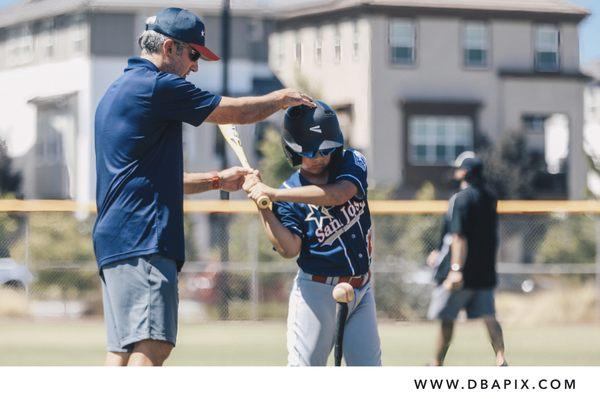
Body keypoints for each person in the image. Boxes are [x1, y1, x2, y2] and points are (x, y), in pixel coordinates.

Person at [93, 7, 315, 367]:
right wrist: (282, 97)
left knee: (121, 351)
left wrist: (215, 181)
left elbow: (153, 182)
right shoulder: (156, 86)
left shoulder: (115, 91)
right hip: (144, 238)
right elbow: (237, 112)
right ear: (169, 48)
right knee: (153, 344)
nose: (195, 65)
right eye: (193, 54)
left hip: (115, 240)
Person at [242, 101, 381, 366]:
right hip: (316, 291)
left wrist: (273, 193)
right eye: (309, 151)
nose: (318, 157)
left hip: (361, 287)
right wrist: (264, 207)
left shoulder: (351, 161)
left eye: (324, 150)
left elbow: (338, 195)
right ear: (293, 150)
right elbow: (289, 249)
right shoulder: (287, 192)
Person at [426, 152, 507, 366]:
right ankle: (501, 359)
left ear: (465, 172)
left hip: (460, 270)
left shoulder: (460, 198)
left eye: (459, 168)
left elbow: (458, 236)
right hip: (484, 269)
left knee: (447, 319)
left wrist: (455, 268)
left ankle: (436, 363)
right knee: (489, 316)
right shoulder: (490, 197)